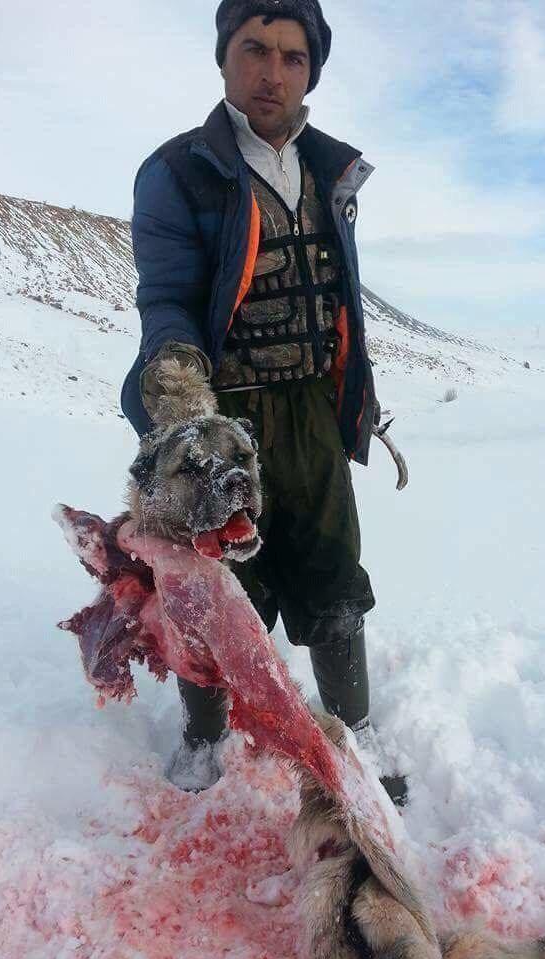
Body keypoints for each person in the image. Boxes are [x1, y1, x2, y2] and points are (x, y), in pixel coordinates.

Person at [121, 0, 406, 803]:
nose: (270, 71)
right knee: (215, 591)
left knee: (331, 573)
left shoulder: (330, 170)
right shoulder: (176, 172)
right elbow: (168, 295)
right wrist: (178, 387)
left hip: (314, 413)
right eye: (254, 50)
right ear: (223, 60)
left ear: (311, 70)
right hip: (224, 419)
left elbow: (337, 294)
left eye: (290, 55)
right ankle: (206, 734)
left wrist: (352, 395)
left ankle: (354, 727)